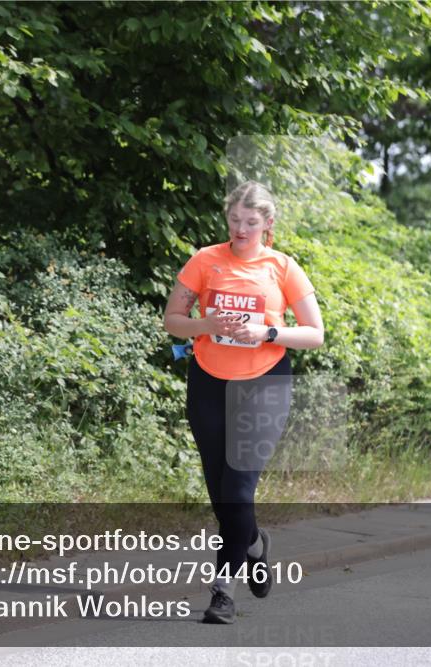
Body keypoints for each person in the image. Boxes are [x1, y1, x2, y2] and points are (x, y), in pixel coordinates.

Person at [163, 180, 325, 624]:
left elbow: (315, 333)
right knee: (220, 492)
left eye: (250, 222)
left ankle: (222, 591)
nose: (240, 229)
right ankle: (253, 543)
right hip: (209, 383)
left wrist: (268, 333)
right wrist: (205, 322)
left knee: (237, 489)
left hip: (264, 384)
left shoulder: (283, 267)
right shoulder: (205, 260)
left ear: (267, 224)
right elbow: (172, 322)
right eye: (234, 220)